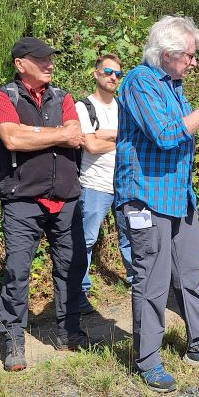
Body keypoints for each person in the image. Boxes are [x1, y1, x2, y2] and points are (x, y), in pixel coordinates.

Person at [114, 16, 199, 393]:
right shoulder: (140, 81)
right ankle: (148, 361)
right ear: (167, 53)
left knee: (191, 275)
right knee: (151, 281)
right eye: (189, 55)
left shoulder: (174, 86)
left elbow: (182, 132)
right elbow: (166, 135)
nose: (194, 62)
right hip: (145, 197)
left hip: (178, 197)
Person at [0, 37, 87, 372]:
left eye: (50, 58)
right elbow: (12, 138)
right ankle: (13, 341)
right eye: (41, 59)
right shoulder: (2, 97)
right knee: (17, 271)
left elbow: (76, 133)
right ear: (20, 64)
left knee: (71, 266)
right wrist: (57, 134)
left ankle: (69, 333)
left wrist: (35, 134)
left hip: (66, 196)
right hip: (22, 199)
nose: (49, 64)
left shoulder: (63, 97)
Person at [77, 53, 134, 307]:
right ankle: (80, 292)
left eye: (117, 74)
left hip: (125, 184)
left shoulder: (124, 107)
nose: (113, 77)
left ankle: (138, 284)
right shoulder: (83, 107)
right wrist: (120, 139)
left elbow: (135, 140)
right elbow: (90, 145)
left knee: (131, 236)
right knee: (87, 239)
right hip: (94, 184)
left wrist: (106, 134)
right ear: (96, 73)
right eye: (108, 72)